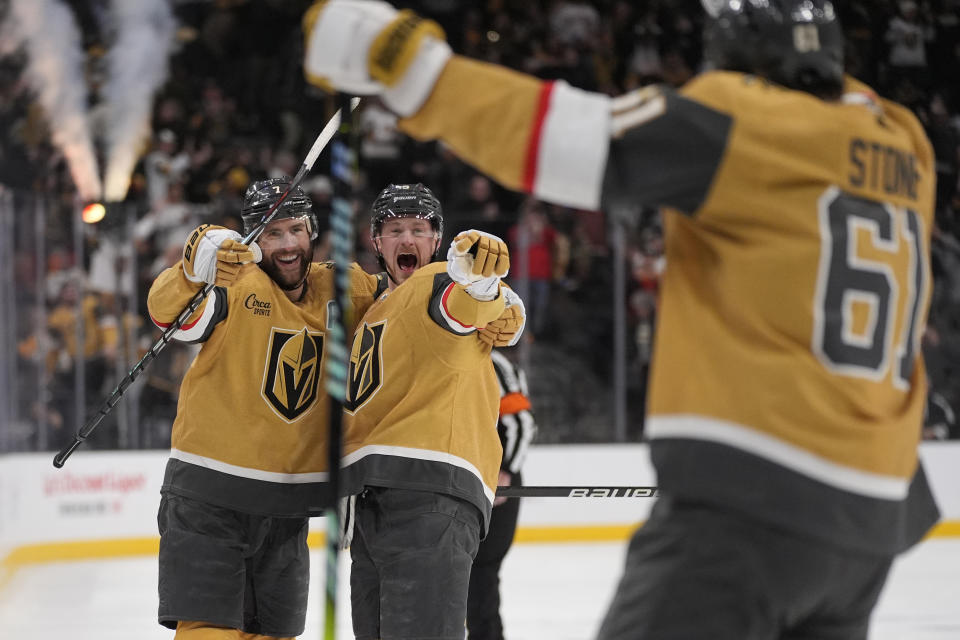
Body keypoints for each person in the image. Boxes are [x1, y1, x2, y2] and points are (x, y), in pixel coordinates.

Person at [303, 1, 942, 639]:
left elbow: (564, 138)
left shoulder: (746, 121)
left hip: (754, 500)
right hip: (874, 514)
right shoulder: (903, 139)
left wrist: (413, 68)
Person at [146, 177, 386, 639]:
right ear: (254, 241)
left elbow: (408, 300)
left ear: (312, 231)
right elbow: (170, 317)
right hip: (210, 494)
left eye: (295, 229)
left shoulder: (343, 286)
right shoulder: (235, 282)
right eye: (272, 233)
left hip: (286, 505)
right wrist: (194, 270)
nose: (288, 244)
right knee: (206, 632)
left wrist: (482, 299)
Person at [339, 182, 524, 640]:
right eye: (394, 229)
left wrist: (483, 285)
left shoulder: (438, 279)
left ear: (436, 240)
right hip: (374, 500)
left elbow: (462, 304)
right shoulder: (371, 311)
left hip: (429, 495)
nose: (407, 240)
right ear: (376, 242)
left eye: (419, 230)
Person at [467, 347, 538, 640]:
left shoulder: (491, 362)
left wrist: (504, 468)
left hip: (493, 480)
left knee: (481, 571)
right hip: (460, 476)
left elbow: (521, 422)